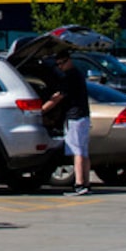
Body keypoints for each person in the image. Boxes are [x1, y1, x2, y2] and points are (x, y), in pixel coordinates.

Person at [40, 50, 92, 196]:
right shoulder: (77, 74)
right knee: (83, 151)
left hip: (75, 117)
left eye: (61, 63)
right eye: (58, 64)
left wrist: (41, 111)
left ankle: (79, 185)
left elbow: (58, 97)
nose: (60, 67)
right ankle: (86, 184)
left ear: (68, 60)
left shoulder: (70, 77)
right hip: (83, 116)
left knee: (78, 152)